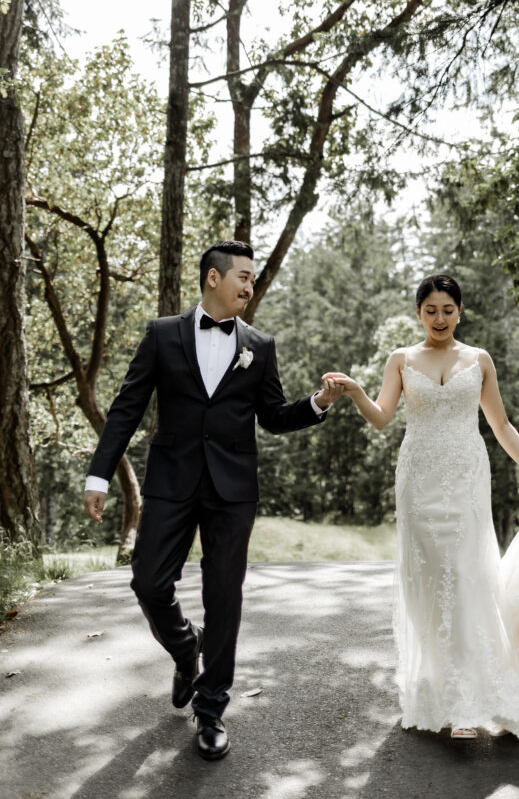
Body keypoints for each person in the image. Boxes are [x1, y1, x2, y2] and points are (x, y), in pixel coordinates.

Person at [83, 240, 343, 760]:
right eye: (243, 277)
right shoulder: (161, 335)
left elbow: (270, 416)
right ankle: (185, 648)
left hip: (232, 491)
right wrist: (99, 474)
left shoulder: (259, 345)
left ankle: (211, 708)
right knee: (149, 580)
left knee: (226, 596)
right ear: (213, 279)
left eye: (251, 278)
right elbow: (127, 407)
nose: (250, 286)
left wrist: (316, 404)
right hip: (172, 483)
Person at [323, 273, 519, 740]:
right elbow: (382, 419)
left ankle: (470, 697)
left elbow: (501, 424)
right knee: (428, 583)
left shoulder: (479, 359)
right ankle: (441, 687)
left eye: (447, 310)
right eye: (430, 310)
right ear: (418, 313)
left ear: (460, 311)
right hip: (418, 481)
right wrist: (355, 392)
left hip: (467, 479)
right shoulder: (401, 359)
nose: (439, 319)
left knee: (469, 575)